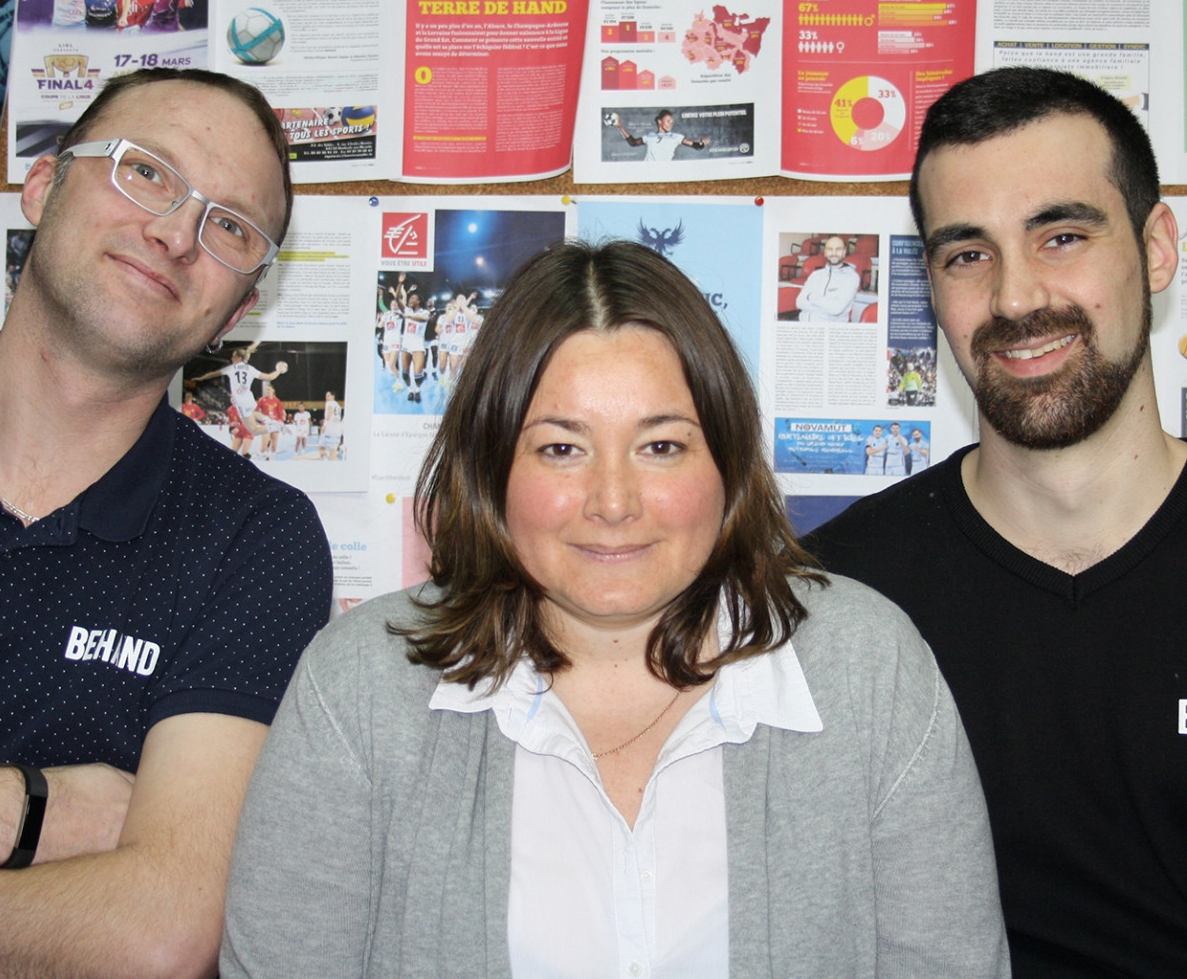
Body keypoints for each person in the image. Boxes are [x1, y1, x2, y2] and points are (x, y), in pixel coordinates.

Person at [222, 240, 1008, 978]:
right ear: (492, 465)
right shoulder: (356, 686)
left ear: (726, 463)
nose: (612, 502)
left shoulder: (867, 668)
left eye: (660, 446)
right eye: (560, 447)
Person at [804, 66, 1187, 978]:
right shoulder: (835, 600)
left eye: (1060, 235)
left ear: (1157, 247)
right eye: (966, 254)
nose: (1014, 300)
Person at [0, 67, 330, 978]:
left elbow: (162, 933)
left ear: (240, 308)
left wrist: (13, 812)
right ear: (44, 183)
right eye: (148, 172)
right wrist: (44, 814)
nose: (176, 233)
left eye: (230, 227)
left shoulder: (257, 538)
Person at [793, 235, 861, 323]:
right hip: (803, 322)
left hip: (828, 329)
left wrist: (810, 297)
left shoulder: (851, 277)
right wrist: (826, 305)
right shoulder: (815, 275)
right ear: (825, 252)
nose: (834, 253)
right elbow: (799, 302)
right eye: (830, 249)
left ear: (844, 252)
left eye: (838, 249)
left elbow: (836, 309)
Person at [616, 109, 710, 162]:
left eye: (672, 122)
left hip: (664, 172)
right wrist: (620, 127)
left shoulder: (676, 137)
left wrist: (703, 143)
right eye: (668, 121)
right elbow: (633, 142)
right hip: (647, 172)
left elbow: (696, 145)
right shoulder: (650, 136)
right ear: (660, 122)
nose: (670, 124)